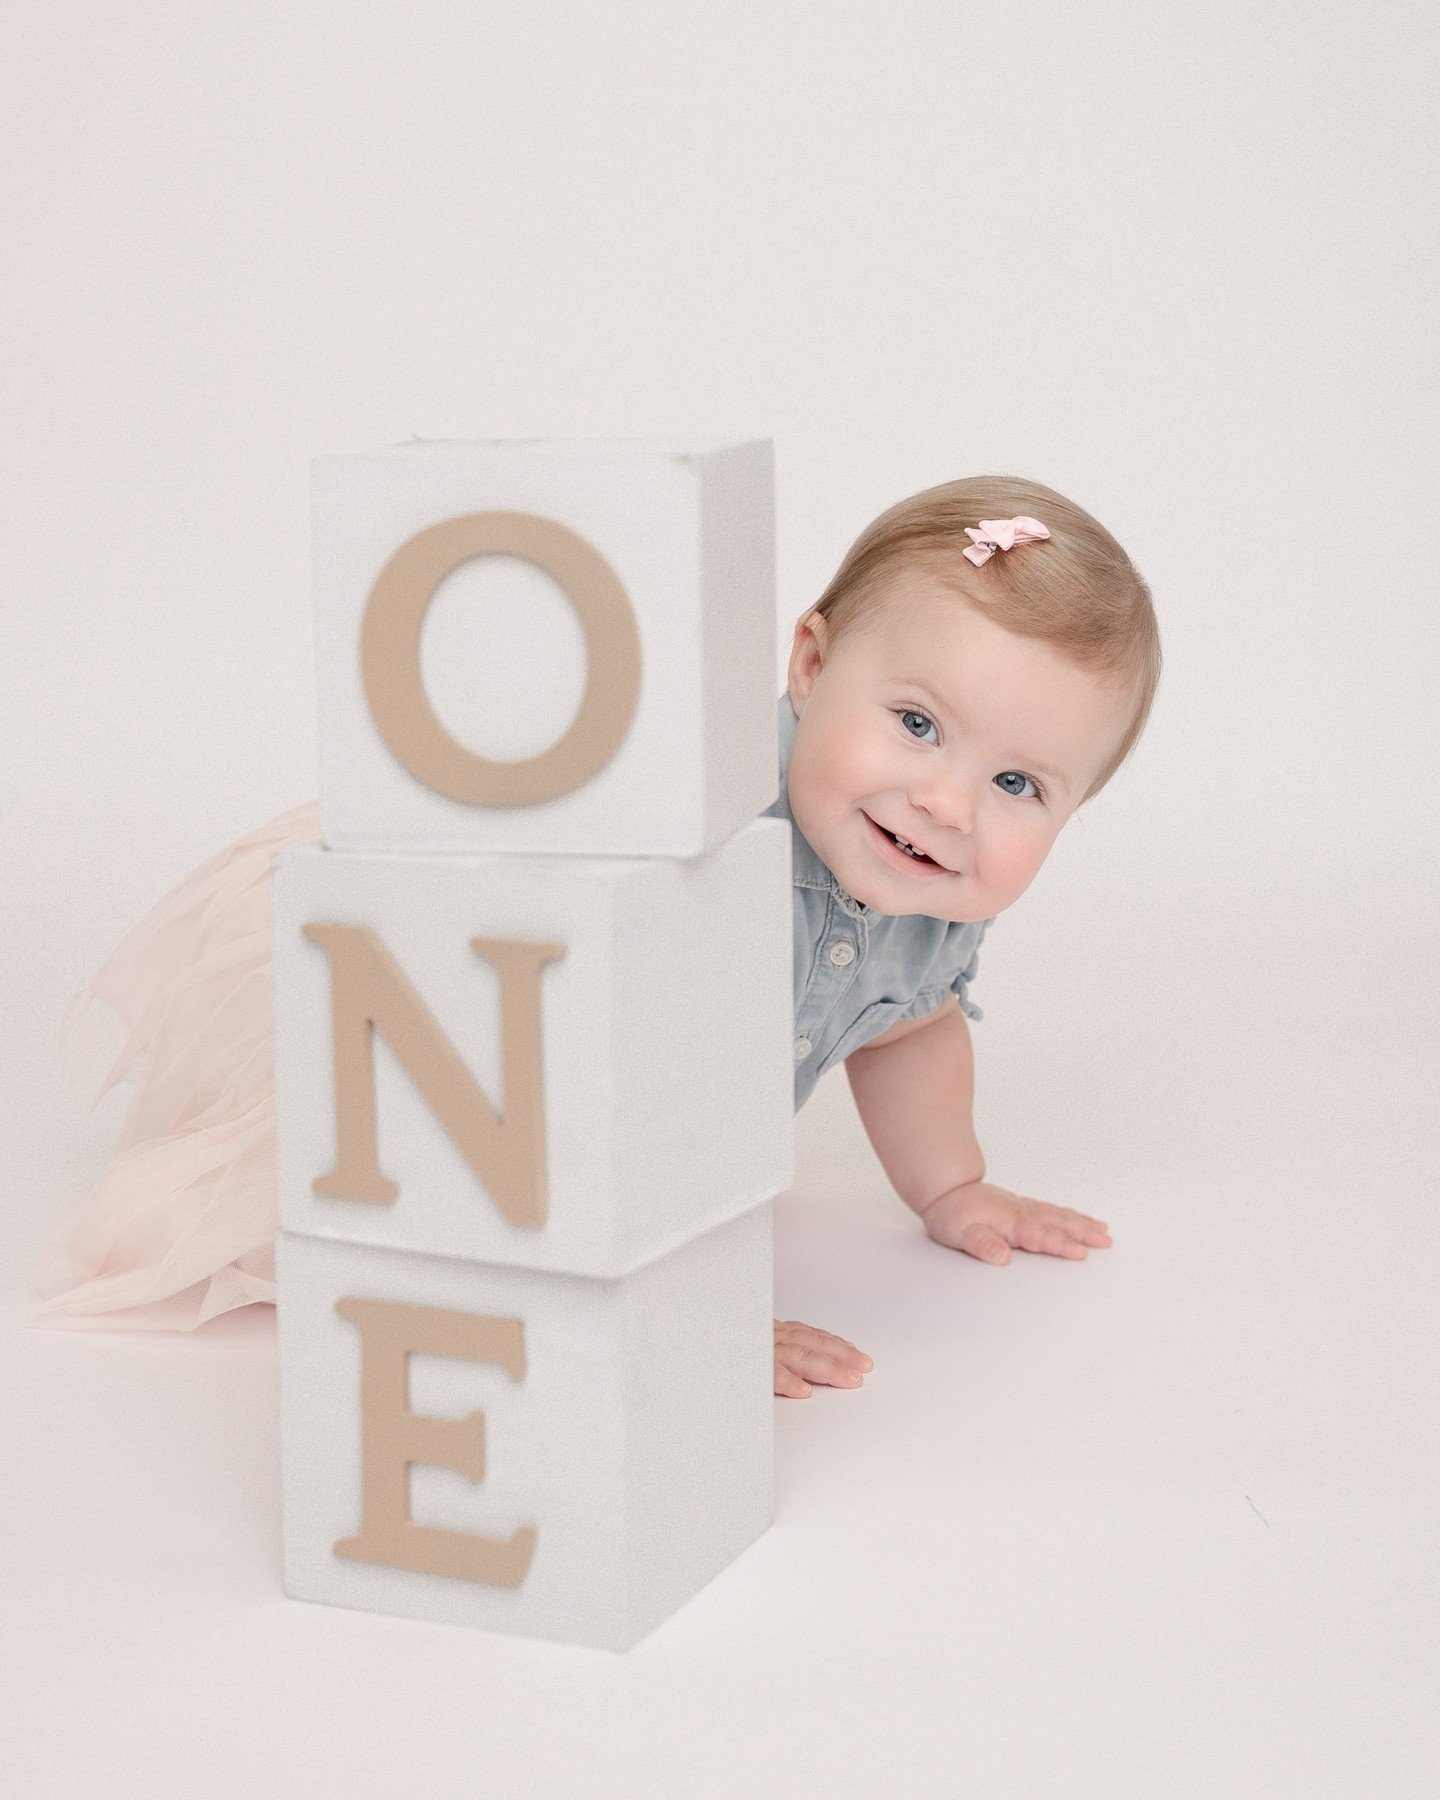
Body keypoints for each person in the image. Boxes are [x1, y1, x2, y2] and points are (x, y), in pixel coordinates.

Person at [29, 474, 1161, 1403]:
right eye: (917, 725)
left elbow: (909, 1031)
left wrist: (951, 1187)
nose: (948, 804)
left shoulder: (931, 884)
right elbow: (606, 1101)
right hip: (484, 1039)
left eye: (1018, 781)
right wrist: (682, 1307)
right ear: (810, 669)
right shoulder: (699, 831)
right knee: (387, 1209)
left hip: (602, 1091)